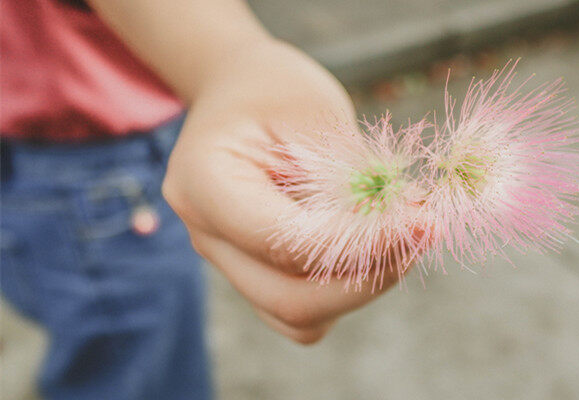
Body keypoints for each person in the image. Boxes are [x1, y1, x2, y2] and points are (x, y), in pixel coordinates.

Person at [1, 0, 412, 399]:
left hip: (49, 154)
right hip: (103, 173)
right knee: (139, 372)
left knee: (94, 347)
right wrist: (230, 59)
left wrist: (231, 61)